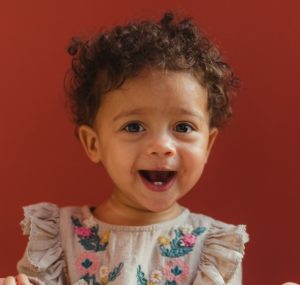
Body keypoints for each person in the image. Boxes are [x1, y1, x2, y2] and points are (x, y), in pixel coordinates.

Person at [1, 11, 298, 285]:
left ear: (208, 145)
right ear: (94, 144)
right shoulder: (58, 239)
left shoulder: (213, 248)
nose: (161, 146)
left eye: (183, 127)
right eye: (134, 126)